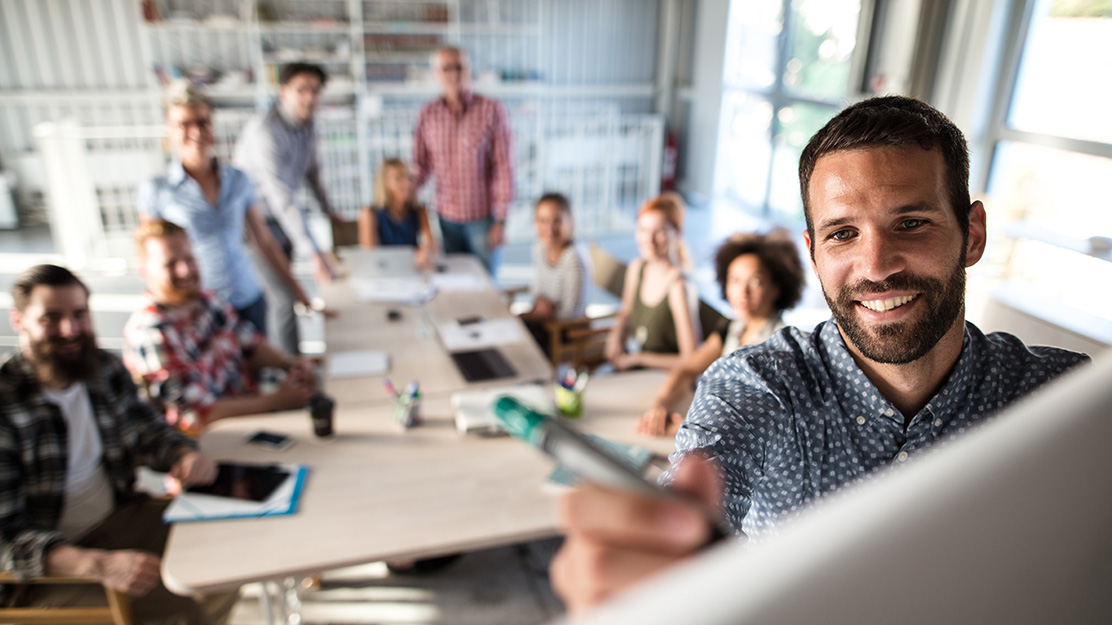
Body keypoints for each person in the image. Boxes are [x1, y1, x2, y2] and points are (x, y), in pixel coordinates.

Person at [551, 95, 1091, 611]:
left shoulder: (1065, 402)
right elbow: (702, 487)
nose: (876, 265)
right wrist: (661, 562)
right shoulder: (755, 386)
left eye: (911, 223)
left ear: (972, 235)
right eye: (843, 234)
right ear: (813, 254)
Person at [0, 264, 235, 625]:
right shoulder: (6, 403)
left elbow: (150, 432)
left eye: (79, 315)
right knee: (182, 606)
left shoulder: (103, 370)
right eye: (51, 318)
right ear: (19, 321)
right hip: (45, 568)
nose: (70, 330)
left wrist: (182, 455)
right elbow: (5, 539)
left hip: (119, 518)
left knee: (228, 556)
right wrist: (99, 565)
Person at [137, 80, 312, 334]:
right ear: (170, 129)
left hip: (248, 298)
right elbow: (152, 260)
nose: (196, 132)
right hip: (198, 306)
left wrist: (298, 291)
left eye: (203, 122)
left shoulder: (238, 179)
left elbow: (264, 241)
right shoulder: (156, 190)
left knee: (258, 370)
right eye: (185, 124)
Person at [123, 220, 316, 436]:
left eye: (189, 258)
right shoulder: (151, 332)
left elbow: (250, 345)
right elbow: (196, 415)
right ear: (144, 272)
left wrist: (290, 365)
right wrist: (277, 401)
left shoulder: (208, 300)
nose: (185, 270)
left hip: (250, 418)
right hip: (212, 441)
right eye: (170, 264)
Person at [637, 230, 805, 437]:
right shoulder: (730, 327)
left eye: (756, 282)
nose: (742, 292)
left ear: (776, 288)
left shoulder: (782, 344)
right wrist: (660, 406)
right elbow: (687, 369)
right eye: (734, 280)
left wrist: (687, 429)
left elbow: (763, 421)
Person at [234, 61, 341, 355]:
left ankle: (293, 364)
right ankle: (291, 373)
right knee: (283, 298)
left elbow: (312, 173)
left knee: (289, 296)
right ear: (283, 92)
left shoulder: (310, 126)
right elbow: (281, 197)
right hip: (256, 224)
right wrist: (314, 253)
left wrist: (329, 211)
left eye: (316, 91)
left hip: (282, 221)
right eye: (301, 89)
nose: (309, 97)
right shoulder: (264, 132)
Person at [412, 46, 514, 278]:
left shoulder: (491, 110)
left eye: (459, 67)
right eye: (446, 68)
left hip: (483, 219)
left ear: (469, 70)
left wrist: (502, 219)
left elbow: (504, 167)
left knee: (486, 286)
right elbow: (420, 166)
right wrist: (398, 200)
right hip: (446, 218)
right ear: (436, 73)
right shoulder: (427, 114)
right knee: (455, 283)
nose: (453, 73)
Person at [604, 194, 700, 371]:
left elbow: (691, 360)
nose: (649, 239)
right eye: (643, 230)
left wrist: (639, 359)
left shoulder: (680, 287)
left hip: (663, 378)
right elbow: (626, 312)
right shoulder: (637, 267)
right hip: (633, 367)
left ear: (677, 232)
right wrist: (615, 337)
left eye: (660, 231)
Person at [519, 192, 591, 356]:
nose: (549, 228)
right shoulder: (539, 247)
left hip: (565, 330)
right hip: (543, 320)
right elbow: (537, 289)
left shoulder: (574, 258)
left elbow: (571, 313)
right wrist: (539, 305)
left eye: (557, 220)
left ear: (570, 222)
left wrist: (542, 312)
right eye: (542, 220)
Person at [358, 157, 436, 268]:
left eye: (409, 177)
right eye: (398, 178)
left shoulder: (419, 211)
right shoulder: (369, 214)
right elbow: (371, 256)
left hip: (412, 272)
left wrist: (426, 252)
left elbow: (428, 244)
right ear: (384, 183)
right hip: (384, 274)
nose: (407, 183)